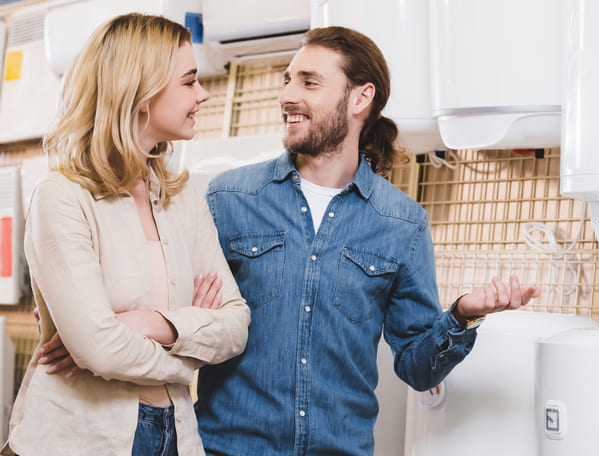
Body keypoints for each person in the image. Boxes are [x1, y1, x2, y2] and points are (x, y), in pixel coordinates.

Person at [194, 26, 540, 455]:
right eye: (287, 79)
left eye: (309, 82)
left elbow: (417, 368)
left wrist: (463, 315)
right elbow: (191, 319)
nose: (287, 95)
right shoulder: (230, 199)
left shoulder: (401, 222)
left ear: (360, 98)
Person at [4, 14, 251, 456]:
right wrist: (190, 352)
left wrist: (151, 323)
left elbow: (235, 326)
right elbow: (100, 351)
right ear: (142, 91)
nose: (203, 94)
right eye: (189, 81)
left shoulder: (185, 197)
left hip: (176, 434)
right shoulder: (61, 196)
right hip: (77, 439)